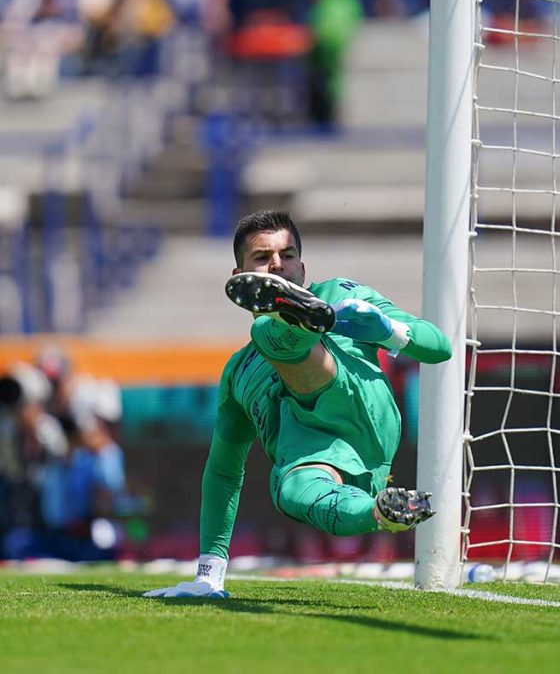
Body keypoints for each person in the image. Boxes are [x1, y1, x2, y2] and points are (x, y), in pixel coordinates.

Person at [144, 210, 452, 598]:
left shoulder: (345, 296)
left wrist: (389, 330)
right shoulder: (238, 374)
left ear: (302, 269)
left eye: (287, 255)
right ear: (239, 278)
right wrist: (209, 575)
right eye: (262, 257)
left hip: (362, 406)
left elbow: (440, 347)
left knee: (265, 331)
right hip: (319, 458)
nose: (277, 263)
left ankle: (298, 324)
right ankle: (380, 511)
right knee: (293, 489)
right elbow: (224, 471)